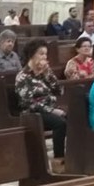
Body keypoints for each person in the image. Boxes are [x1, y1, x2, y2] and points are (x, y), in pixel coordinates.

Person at [15, 38, 67, 170]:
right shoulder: (23, 76)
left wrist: (48, 74)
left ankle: (74, 155)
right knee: (59, 123)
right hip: (32, 113)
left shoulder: (43, 74)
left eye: (45, 54)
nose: (44, 57)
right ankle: (58, 158)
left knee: (75, 117)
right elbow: (28, 102)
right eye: (41, 54)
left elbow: (59, 91)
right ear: (32, 55)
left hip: (48, 109)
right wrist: (51, 110)